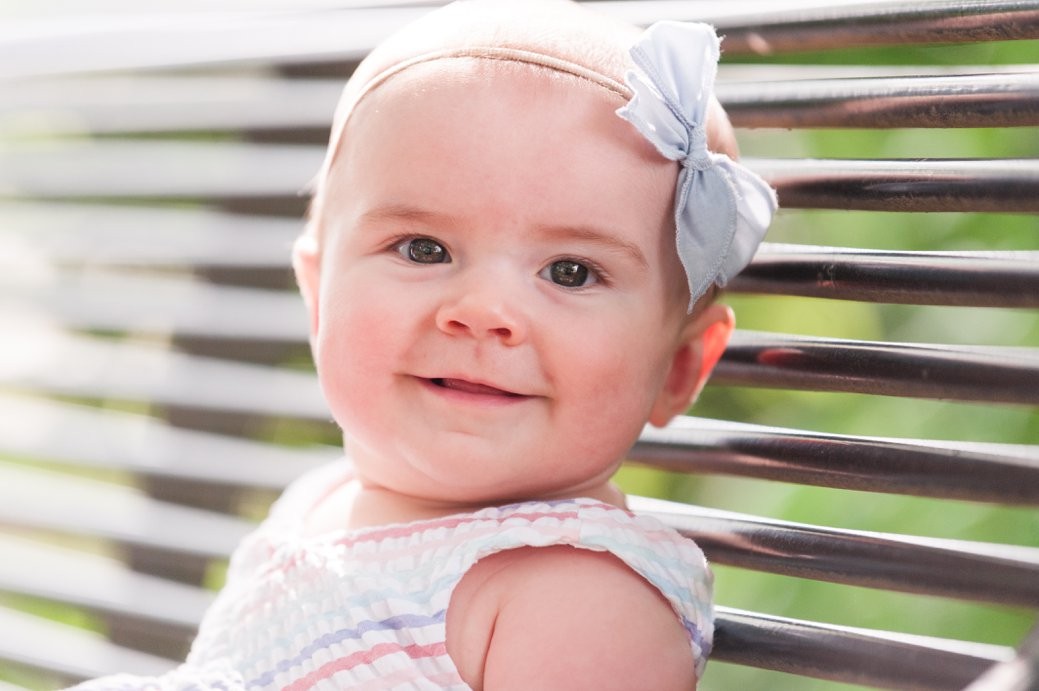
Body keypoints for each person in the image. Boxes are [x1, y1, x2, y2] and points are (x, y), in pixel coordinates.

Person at [70, 0, 775, 689]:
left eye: (570, 271)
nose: (482, 311)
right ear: (318, 294)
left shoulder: (575, 598)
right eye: (422, 248)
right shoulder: (322, 499)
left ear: (679, 369)